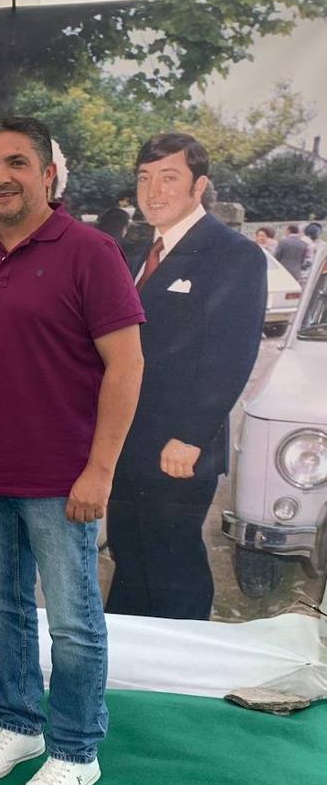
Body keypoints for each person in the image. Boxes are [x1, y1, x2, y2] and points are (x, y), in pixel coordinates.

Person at [0, 117, 144, 785]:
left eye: (16, 163)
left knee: (72, 622)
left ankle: (75, 749)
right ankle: (17, 724)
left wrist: (100, 472)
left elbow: (127, 366)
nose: (0, 176)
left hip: (63, 480)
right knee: (3, 613)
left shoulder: (91, 251)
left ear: (47, 173)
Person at [106, 133, 267, 619]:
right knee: (130, 560)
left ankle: (180, 679)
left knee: (172, 569)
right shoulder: (136, 250)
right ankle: (128, 674)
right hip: (126, 443)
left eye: (169, 177)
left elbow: (231, 355)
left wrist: (191, 436)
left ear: (199, 186)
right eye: (144, 178)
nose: (153, 191)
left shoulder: (232, 254)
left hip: (177, 450)